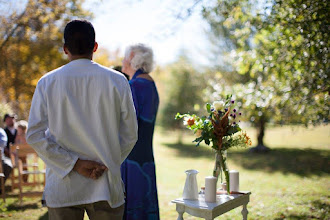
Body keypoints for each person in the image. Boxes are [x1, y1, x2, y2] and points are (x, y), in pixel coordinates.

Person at [26, 20, 138, 220]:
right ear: (95, 46)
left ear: (65, 49)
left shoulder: (47, 83)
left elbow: (34, 135)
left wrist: (73, 164)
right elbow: (130, 134)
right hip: (105, 185)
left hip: (63, 186)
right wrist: (106, 163)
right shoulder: (117, 80)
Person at [121, 43, 160, 219]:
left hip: (132, 157)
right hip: (146, 156)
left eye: (125, 56)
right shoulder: (151, 84)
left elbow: (128, 125)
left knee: (133, 206)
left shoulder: (134, 85)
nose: (122, 60)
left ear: (133, 60)